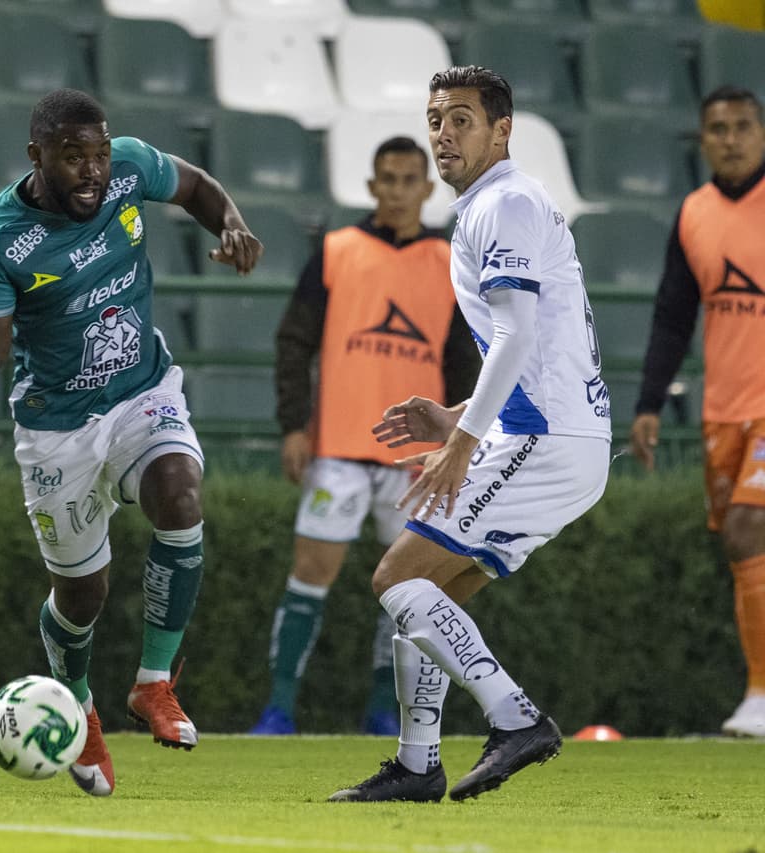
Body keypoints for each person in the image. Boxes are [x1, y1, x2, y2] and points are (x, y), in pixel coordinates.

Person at [0, 87, 260, 797]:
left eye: (99, 153)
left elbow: (199, 186)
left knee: (178, 494)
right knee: (82, 592)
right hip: (59, 428)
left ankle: (152, 683)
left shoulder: (131, 170)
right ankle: (76, 701)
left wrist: (231, 223)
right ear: (37, 156)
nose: (91, 170)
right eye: (72, 156)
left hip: (143, 391)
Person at [327, 65, 611, 803]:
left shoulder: (504, 204)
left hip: (543, 442)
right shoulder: (500, 204)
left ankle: (517, 718)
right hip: (560, 438)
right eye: (436, 120)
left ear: (502, 130)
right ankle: (418, 764)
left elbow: (515, 336)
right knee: (434, 593)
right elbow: (537, 348)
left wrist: (462, 443)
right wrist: (457, 416)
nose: (444, 134)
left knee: (396, 577)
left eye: (461, 119)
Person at [250, 136, 480, 737]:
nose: (399, 190)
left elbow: (464, 363)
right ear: (373, 185)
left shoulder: (449, 262)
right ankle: (279, 709)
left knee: (410, 585)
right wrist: (292, 424)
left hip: (416, 458)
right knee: (310, 575)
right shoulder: (336, 251)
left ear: (428, 189)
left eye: (411, 180)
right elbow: (293, 342)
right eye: (388, 179)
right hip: (340, 449)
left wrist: (459, 441)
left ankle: (386, 712)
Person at [629, 85, 765, 738]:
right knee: (745, 545)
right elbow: (673, 316)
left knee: (747, 527)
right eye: (718, 128)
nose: (731, 138)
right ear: (702, 139)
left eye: (742, 126)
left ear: (761, 133)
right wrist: (651, 401)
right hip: (723, 410)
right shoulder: (694, 214)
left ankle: (761, 694)